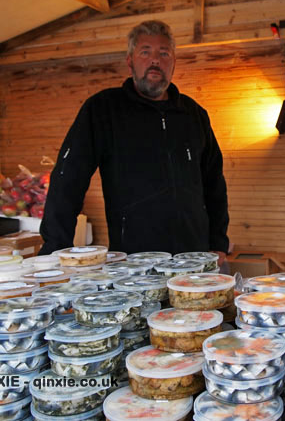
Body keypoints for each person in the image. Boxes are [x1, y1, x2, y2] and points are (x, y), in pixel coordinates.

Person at [39, 20, 229, 264]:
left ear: (173, 62)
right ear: (130, 61)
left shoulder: (194, 115)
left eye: (164, 53)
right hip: (134, 262)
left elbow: (214, 184)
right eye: (145, 52)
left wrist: (218, 243)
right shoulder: (104, 110)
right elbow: (68, 179)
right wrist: (55, 249)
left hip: (194, 259)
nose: (155, 60)